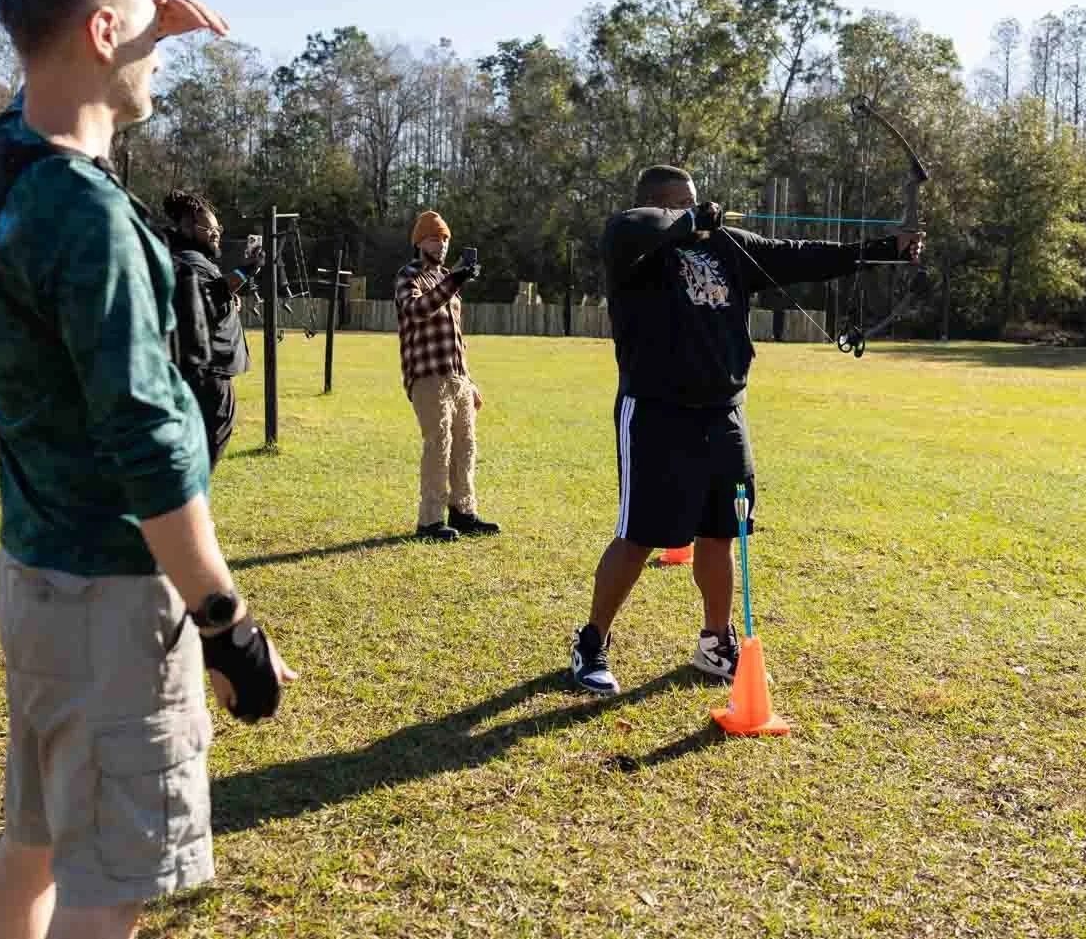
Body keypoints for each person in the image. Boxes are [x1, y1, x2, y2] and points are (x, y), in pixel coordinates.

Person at [0, 0, 295, 939]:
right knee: (108, 889)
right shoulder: (89, 219)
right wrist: (226, 623)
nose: (156, 55)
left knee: (35, 845)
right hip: (112, 603)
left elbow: (50, 93)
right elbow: (148, 445)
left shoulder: (1, 166)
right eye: (137, 32)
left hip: (38, 579)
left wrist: (141, 34)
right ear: (102, 32)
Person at [567, 164, 924, 696]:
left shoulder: (727, 246)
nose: (700, 209)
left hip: (724, 412)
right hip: (658, 411)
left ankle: (716, 642)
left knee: (721, 532)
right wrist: (685, 220)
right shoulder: (631, 243)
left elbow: (798, 255)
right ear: (658, 205)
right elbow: (632, 229)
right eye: (682, 203)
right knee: (640, 535)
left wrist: (878, 249)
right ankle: (591, 641)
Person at [394, 209, 498, 541]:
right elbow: (416, 310)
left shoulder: (447, 282)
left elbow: (457, 339)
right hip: (427, 375)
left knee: (465, 446)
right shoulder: (408, 276)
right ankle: (429, 522)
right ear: (418, 242)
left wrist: (469, 381)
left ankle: (464, 512)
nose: (440, 244)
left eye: (444, 239)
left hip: (457, 378)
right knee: (439, 445)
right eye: (433, 238)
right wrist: (455, 280)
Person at [161, 189, 262, 468]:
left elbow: (201, 301)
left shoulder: (183, 257)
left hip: (196, 372)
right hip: (208, 376)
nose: (217, 233)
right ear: (189, 226)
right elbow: (205, 298)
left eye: (219, 228)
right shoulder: (189, 260)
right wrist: (245, 272)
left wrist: (231, 299)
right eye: (212, 228)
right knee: (201, 458)